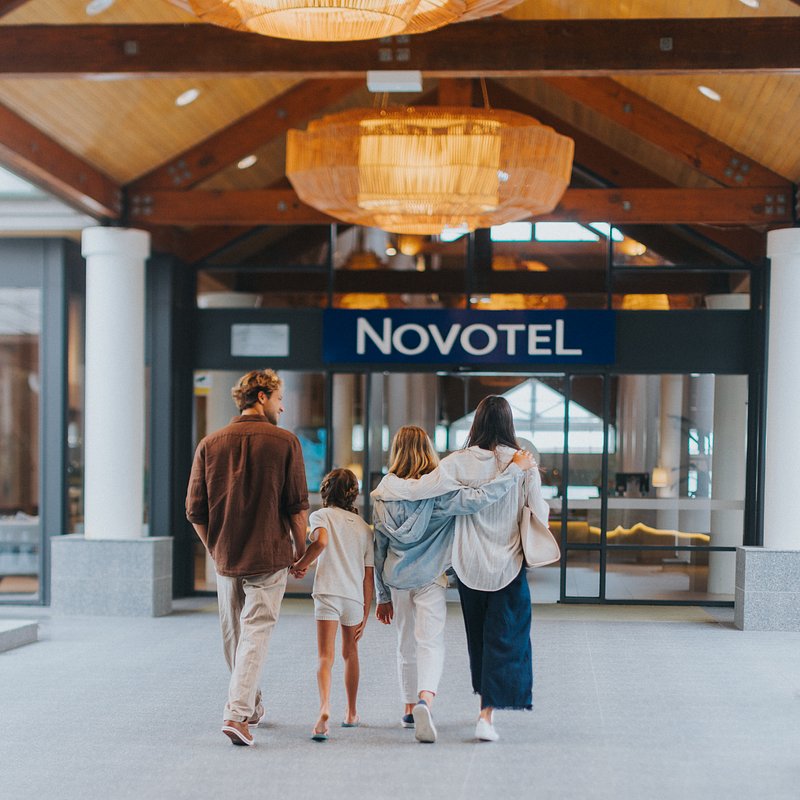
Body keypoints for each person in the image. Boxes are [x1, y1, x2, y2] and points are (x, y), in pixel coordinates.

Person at [370, 425, 535, 744]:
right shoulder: (440, 493)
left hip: (397, 578)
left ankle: (407, 708)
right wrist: (514, 471)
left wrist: (383, 595)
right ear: (428, 451)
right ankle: (424, 700)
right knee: (430, 642)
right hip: (431, 577)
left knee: (405, 643)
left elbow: (378, 548)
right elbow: (479, 498)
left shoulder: (382, 495)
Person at [186, 369, 309, 747]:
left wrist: (214, 548)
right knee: (255, 632)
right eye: (278, 398)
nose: (282, 405)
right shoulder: (285, 442)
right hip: (269, 555)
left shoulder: (210, 443)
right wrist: (301, 551)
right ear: (261, 397)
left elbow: (195, 511)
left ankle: (250, 704)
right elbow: (296, 507)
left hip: (226, 556)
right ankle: (237, 714)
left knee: (235, 636)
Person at [290, 468, 374, 741]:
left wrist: (300, 565)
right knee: (351, 653)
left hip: (327, 592)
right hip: (353, 597)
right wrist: (365, 610)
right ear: (354, 495)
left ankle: (324, 708)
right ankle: (351, 713)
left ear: (326, 491)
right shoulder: (364, 528)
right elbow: (368, 574)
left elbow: (321, 542)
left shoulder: (321, 516)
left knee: (325, 657)